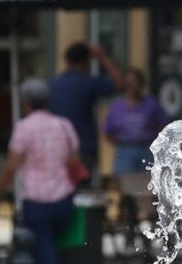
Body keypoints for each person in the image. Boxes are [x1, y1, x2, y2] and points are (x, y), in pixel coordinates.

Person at [0, 78, 81, 264]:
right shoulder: (64, 126)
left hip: (37, 201)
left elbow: (11, 165)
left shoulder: (24, 128)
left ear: (26, 102)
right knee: (43, 256)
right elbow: (74, 160)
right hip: (63, 200)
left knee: (43, 259)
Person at [49, 42, 125, 184]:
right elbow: (121, 83)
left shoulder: (53, 85)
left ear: (66, 61)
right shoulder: (88, 83)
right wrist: (103, 57)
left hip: (56, 148)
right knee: (82, 195)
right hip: (84, 148)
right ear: (86, 62)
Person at [103, 68, 170, 174]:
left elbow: (164, 127)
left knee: (148, 184)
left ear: (141, 84)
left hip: (147, 149)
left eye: (135, 82)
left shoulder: (151, 104)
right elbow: (108, 131)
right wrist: (123, 144)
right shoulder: (117, 106)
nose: (131, 86)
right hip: (125, 150)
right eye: (128, 82)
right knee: (124, 184)